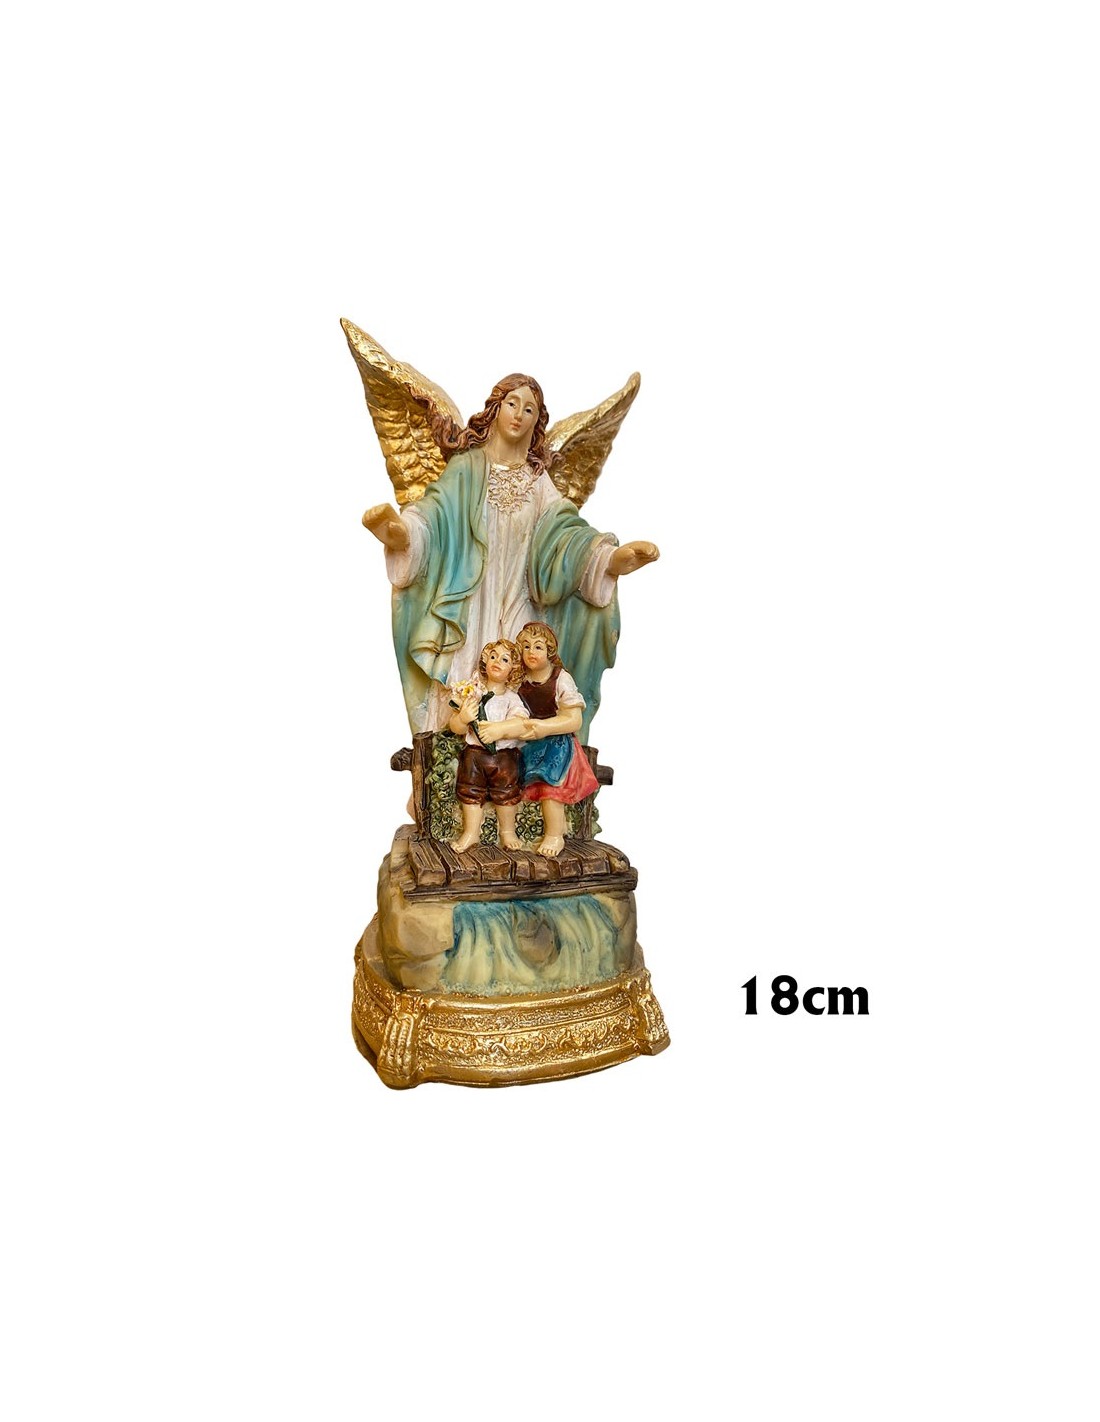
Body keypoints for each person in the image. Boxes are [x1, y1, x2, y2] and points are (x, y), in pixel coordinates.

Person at [361, 374, 658, 737]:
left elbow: (568, 536)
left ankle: (516, 755)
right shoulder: (467, 468)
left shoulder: (538, 481)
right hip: (471, 601)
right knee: (469, 685)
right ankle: (461, 752)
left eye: (529, 409)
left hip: (522, 599)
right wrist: (400, 533)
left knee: (521, 675)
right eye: (512, 404)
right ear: (495, 409)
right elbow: (434, 516)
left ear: (537, 421)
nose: (519, 414)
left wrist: (609, 559)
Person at [508, 621, 600, 858]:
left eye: (538, 647)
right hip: (527, 743)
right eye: (526, 646)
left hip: (557, 744)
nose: (531, 652)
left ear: (549, 651)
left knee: (550, 786)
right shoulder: (519, 678)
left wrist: (544, 727)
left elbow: (574, 720)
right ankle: (509, 831)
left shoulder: (560, 679)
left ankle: (554, 834)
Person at [447, 639, 528, 852]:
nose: (497, 661)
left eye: (504, 659)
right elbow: (456, 727)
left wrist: (500, 729)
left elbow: (521, 723)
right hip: (475, 755)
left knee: (506, 792)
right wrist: (463, 717)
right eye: (493, 656)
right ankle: (471, 832)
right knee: (470, 791)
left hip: (503, 757)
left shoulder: (511, 699)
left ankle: (507, 831)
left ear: (513, 669)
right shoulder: (473, 693)